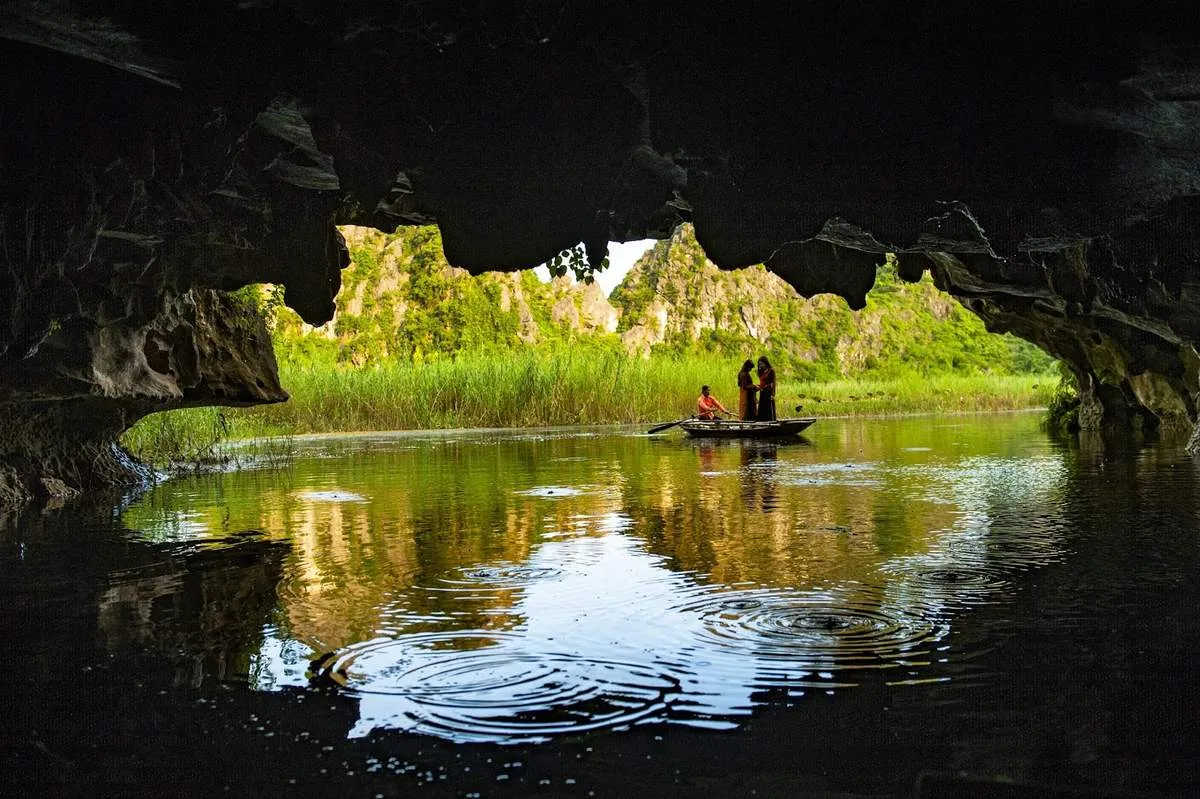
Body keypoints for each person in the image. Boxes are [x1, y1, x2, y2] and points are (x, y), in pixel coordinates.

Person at [755, 356, 777, 421]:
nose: (760, 365)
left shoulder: (771, 370)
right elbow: (762, 383)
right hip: (762, 392)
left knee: (768, 408)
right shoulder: (762, 371)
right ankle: (762, 421)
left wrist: (773, 394)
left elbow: (773, 382)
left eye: (762, 364)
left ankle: (770, 421)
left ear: (766, 363)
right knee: (762, 407)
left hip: (768, 392)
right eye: (759, 364)